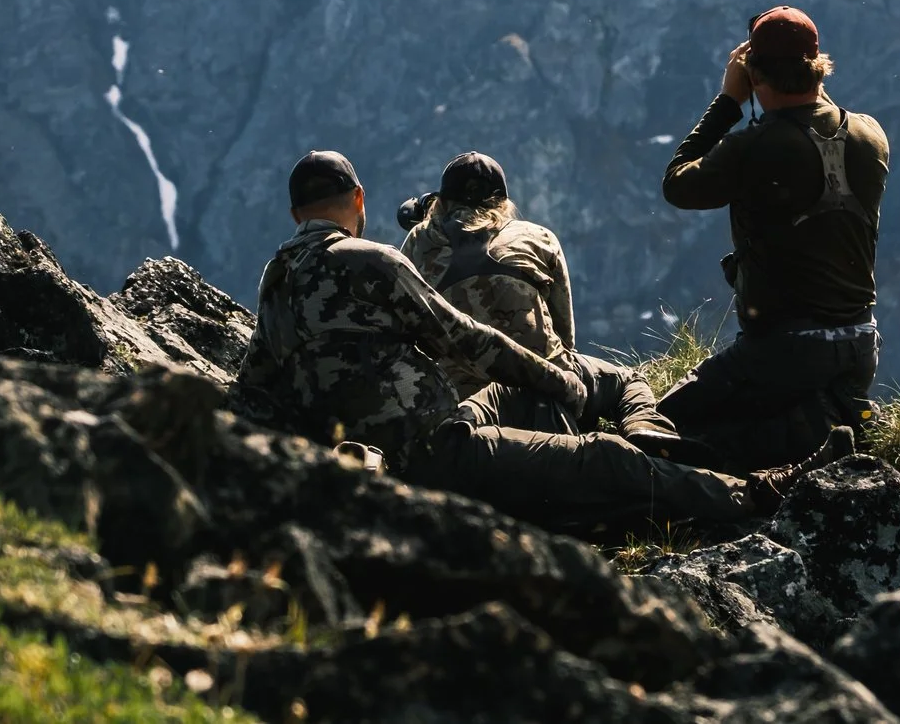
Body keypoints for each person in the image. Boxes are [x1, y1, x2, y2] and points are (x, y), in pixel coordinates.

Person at [231, 148, 787, 537]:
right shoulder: (370, 259)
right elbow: (464, 337)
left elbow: (253, 388)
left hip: (428, 426)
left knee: (532, 411)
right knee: (604, 458)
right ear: (358, 198)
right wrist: (557, 378)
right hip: (436, 448)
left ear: (293, 213)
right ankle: (752, 495)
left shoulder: (274, 281)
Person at [659, 5, 889, 471]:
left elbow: (678, 184)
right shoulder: (870, 133)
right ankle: (826, 421)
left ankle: (804, 433)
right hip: (861, 345)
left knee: (660, 425)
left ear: (752, 71)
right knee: (767, 412)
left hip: (784, 350)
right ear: (818, 64)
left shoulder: (755, 145)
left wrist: (727, 102)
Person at [400, 150, 678, 452]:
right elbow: (564, 335)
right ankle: (645, 427)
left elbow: (409, 327)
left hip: (460, 398)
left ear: (443, 201)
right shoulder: (536, 236)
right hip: (546, 383)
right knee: (627, 380)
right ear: (503, 201)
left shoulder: (418, 241)